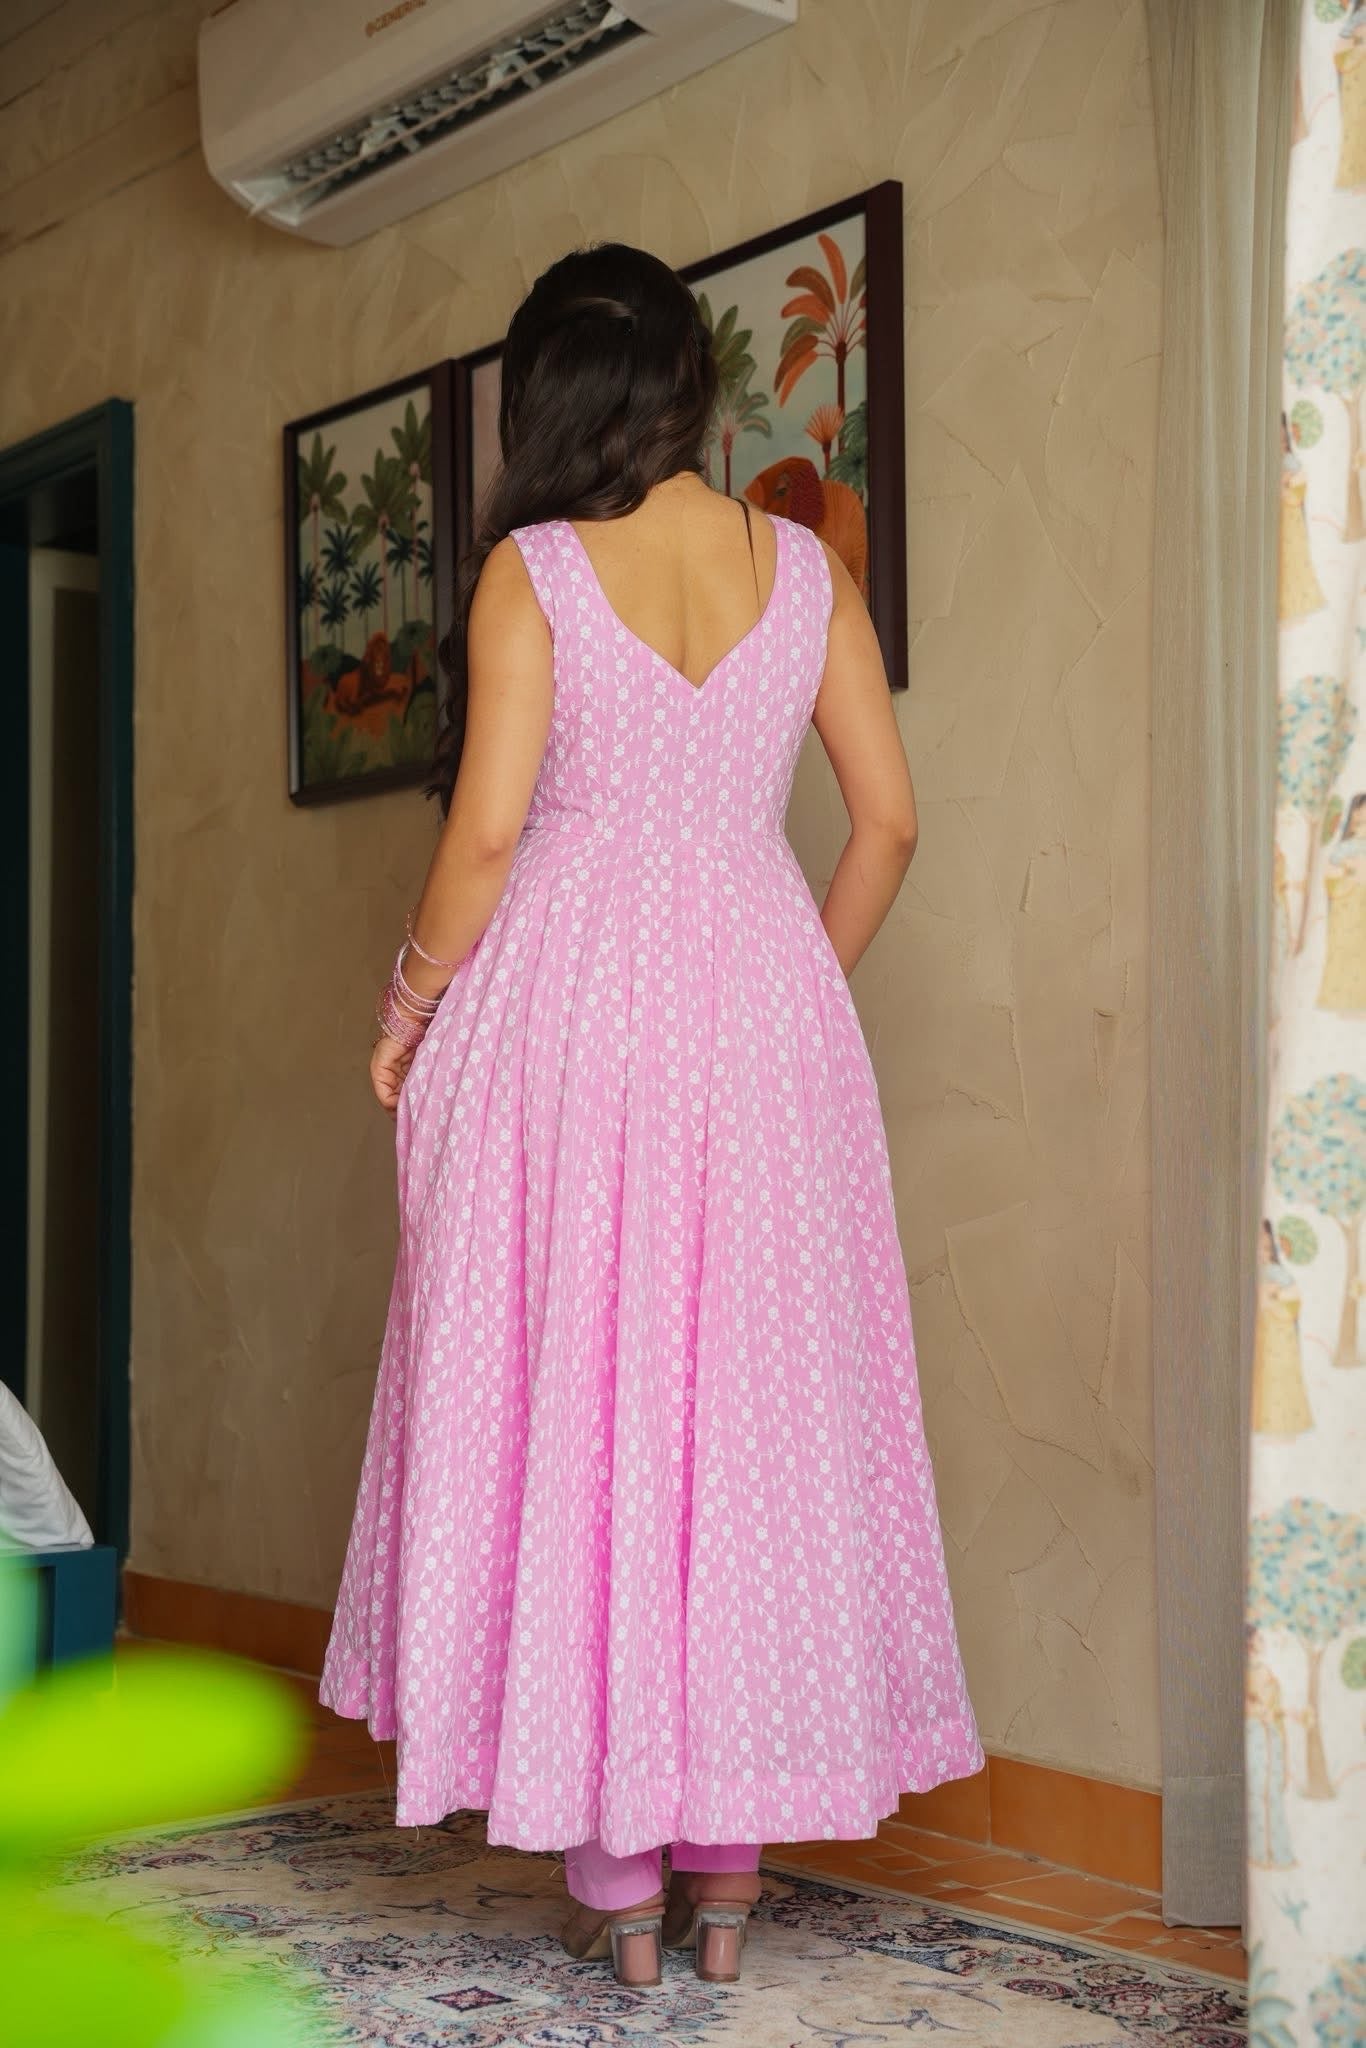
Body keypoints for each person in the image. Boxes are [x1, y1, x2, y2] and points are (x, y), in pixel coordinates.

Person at [319, 242, 984, 1989]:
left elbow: (483, 838)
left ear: (545, 399)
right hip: (763, 1016)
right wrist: (795, 984)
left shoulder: (534, 571)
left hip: (568, 1018)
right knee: (738, 1417)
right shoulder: (804, 569)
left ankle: (614, 1883)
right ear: (694, 386)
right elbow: (889, 822)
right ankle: (728, 1881)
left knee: (581, 1397)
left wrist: (406, 1007)